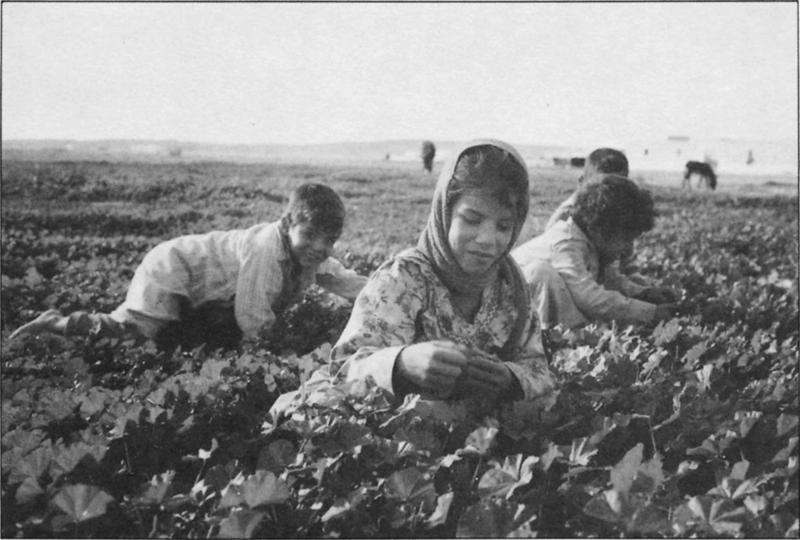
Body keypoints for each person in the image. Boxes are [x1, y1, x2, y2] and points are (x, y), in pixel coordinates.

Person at [327, 140, 555, 403]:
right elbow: (344, 368)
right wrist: (402, 363)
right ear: (445, 212)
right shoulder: (404, 278)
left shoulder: (511, 287)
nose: (487, 239)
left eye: (503, 226)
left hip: (477, 436)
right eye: (471, 220)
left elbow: (537, 368)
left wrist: (509, 378)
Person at [10, 183, 367, 351]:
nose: (320, 247)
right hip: (173, 267)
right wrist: (271, 355)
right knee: (136, 332)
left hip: (201, 288)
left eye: (330, 239)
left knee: (174, 341)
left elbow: (346, 281)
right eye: (311, 235)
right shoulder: (266, 251)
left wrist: (393, 289)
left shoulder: (310, 256)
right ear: (288, 223)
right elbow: (253, 317)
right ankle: (57, 323)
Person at [512, 174, 678, 329]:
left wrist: (645, 294)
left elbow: (612, 281)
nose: (628, 247)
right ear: (601, 229)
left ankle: (572, 334)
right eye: (626, 239)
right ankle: (547, 341)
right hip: (506, 309)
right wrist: (650, 313)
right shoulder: (567, 243)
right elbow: (588, 297)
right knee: (541, 273)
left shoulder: (593, 244)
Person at [546, 147, 648, 284]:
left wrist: (640, 286)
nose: (611, 194)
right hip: (573, 282)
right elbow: (556, 259)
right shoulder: (566, 216)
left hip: (607, 282)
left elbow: (627, 260)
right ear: (582, 182)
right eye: (602, 186)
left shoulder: (621, 214)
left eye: (620, 186)